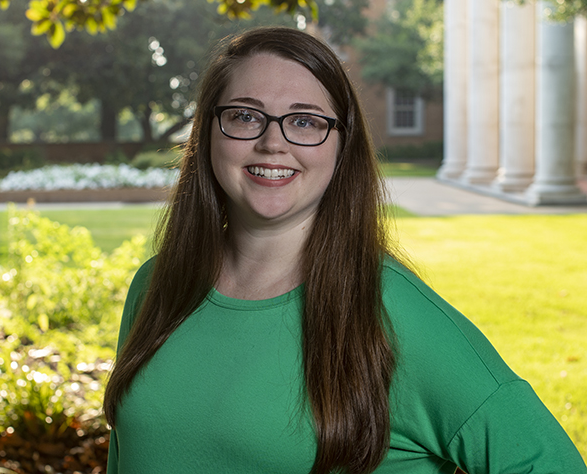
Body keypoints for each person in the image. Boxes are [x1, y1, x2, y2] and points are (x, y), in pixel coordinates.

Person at [103, 27, 586, 474]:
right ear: (208, 131)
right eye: (245, 116)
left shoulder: (394, 314)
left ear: (341, 143)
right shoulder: (157, 284)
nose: (274, 142)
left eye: (306, 122)